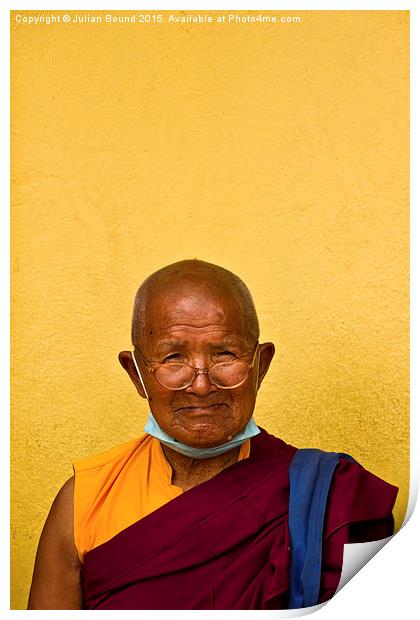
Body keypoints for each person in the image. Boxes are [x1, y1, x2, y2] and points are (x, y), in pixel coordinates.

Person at [27, 259, 398, 610]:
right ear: (136, 372)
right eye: (173, 358)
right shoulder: (85, 499)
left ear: (260, 366)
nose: (202, 385)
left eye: (225, 354)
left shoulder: (329, 497)